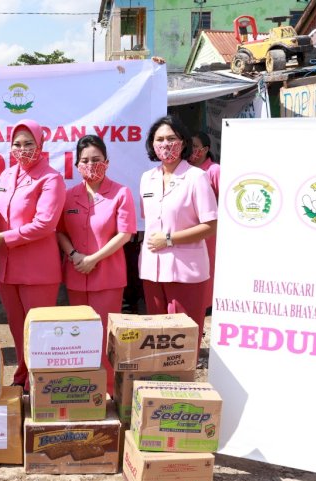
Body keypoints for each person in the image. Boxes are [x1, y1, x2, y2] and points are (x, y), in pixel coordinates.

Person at [0, 119, 66, 389]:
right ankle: (22, 378)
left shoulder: (51, 178)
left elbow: (45, 224)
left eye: (29, 143)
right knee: (17, 330)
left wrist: (3, 238)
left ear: (41, 144)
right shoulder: (7, 175)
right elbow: (0, 215)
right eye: (17, 144)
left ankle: (41, 385)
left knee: (38, 333)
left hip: (37, 271)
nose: (22, 149)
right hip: (6, 268)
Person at [56, 135, 136, 394]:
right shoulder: (68, 196)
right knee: (79, 335)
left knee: (104, 338)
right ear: (77, 165)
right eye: (85, 161)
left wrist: (93, 259)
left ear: (107, 162)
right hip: (76, 273)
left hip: (108, 277)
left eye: (96, 160)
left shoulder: (121, 193)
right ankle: (82, 390)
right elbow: (59, 231)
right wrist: (74, 255)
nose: (91, 165)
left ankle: (108, 390)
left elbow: (125, 234)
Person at [139, 116, 217, 346]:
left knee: (182, 339)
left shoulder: (196, 177)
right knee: (157, 337)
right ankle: (159, 380)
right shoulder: (147, 178)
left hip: (186, 271)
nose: (165, 144)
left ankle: (183, 381)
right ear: (152, 145)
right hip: (152, 269)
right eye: (160, 139)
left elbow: (211, 225)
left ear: (183, 143)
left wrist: (170, 239)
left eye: (171, 138)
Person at [189, 131, 220, 310]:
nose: (191, 150)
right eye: (189, 146)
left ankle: (207, 304)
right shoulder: (186, 170)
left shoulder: (214, 170)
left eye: (195, 146)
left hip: (210, 231)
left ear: (205, 149)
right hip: (191, 228)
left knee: (210, 266)